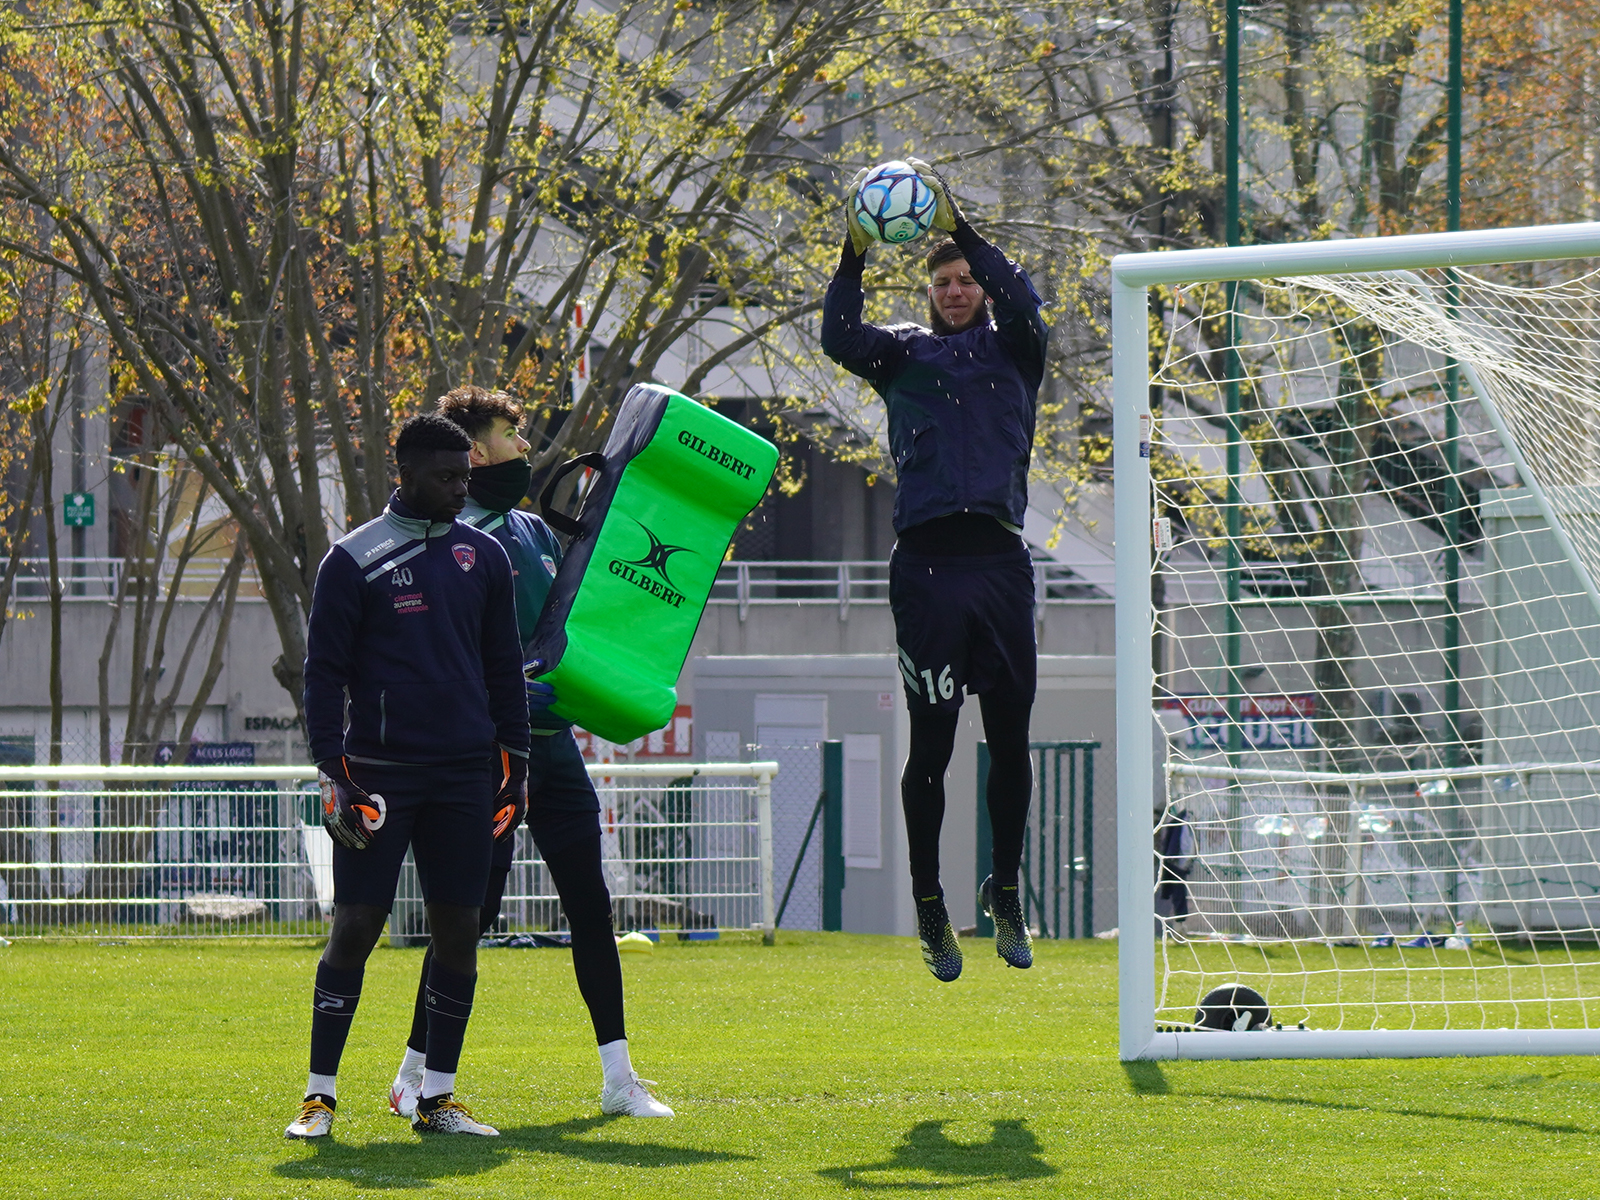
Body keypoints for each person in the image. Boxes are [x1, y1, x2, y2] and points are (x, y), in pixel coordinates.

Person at [381, 385, 672, 1121]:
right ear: (475, 451)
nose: (527, 449)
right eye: (513, 435)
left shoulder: (534, 532)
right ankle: (412, 1075)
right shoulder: (453, 541)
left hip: (554, 750)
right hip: (485, 758)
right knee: (468, 920)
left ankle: (620, 1081)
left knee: (591, 907)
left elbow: (568, 633)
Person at [821, 161, 1048, 982]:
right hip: (925, 571)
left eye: (965, 280)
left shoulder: (1017, 350)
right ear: (925, 294)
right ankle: (929, 902)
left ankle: (1008, 891)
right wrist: (851, 254)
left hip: (999, 564)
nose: (956, 290)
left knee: (1012, 741)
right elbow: (836, 338)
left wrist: (966, 226)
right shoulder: (901, 358)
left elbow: (1024, 300)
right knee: (934, 746)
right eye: (943, 281)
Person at [285, 413, 530, 1139]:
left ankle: (436, 1099)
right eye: (447, 477)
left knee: (460, 931)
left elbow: (502, 672)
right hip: (379, 778)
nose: (461, 489)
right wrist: (332, 769)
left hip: (464, 777)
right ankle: (318, 1097)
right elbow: (322, 674)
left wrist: (515, 769)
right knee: (357, 928)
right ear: (406, 474)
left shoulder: (483, 558)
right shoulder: (351, 559)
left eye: (466, 477)